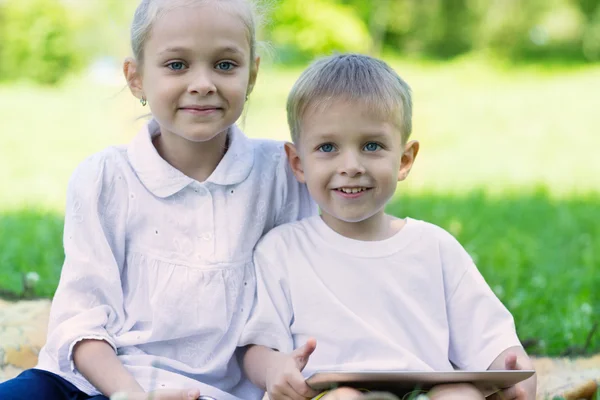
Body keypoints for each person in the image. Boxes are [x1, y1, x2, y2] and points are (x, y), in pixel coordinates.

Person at [0, 1, 316, 399]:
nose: (203, 83)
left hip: (213, 393)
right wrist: (129, 395)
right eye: (177, 65)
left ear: (252, 74)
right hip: (98, 384)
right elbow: (81, 319)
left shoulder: (282, 175)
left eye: (224, 65)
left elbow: (305, 295)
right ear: (136, 78)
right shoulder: (105, 179)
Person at [239, 54, 537, 400]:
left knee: (460, 394)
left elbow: (494, 342)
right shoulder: (282, 250)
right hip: (325, 393)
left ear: (404, 159)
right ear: (298, 163)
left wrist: (515, 379)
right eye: (327, 148)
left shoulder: (433, 247)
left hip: (422, 390)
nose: (351, 166)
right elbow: (256, 348)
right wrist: (275, 369)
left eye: (371, 146)